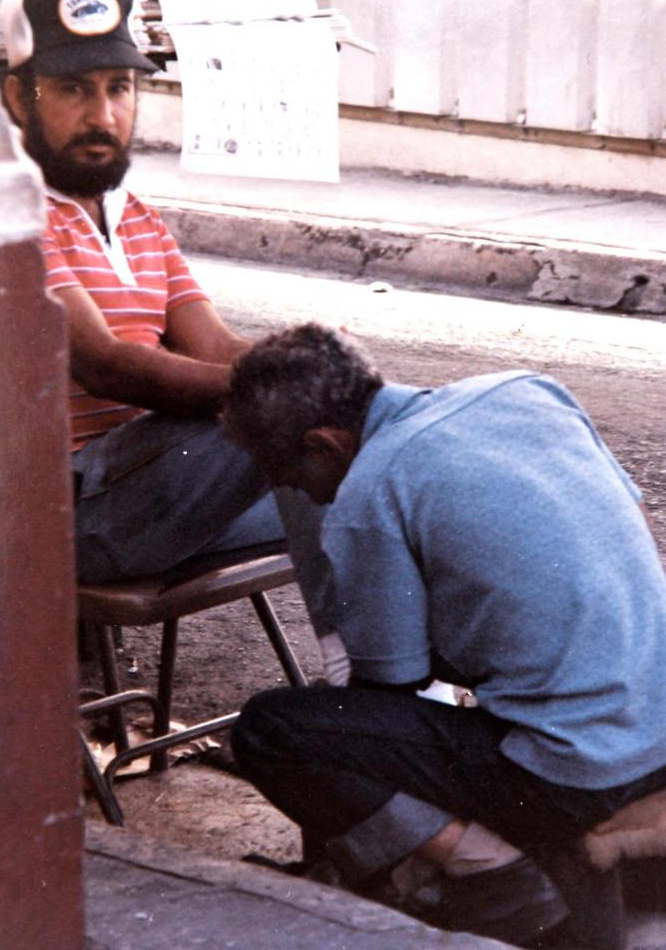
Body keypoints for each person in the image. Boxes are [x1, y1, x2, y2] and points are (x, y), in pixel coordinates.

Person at [223, 322, 666, 949]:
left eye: (289, 477)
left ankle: (493, 874)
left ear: (324, 444)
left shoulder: (369, 490)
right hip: (656, 724)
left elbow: (393, 684)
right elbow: (628, 529)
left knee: (275, 729)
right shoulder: (527, 391)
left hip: (575, 774)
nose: (297, 494)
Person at [0, 0, 331, 613]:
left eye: (119, 88)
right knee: (291, 416)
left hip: (154, 499)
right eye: (72, 89)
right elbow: (106, 365)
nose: (102, 116)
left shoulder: (138, 219)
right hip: (57, 515)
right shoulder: (6, 217)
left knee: (360, 464)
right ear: (19, 98)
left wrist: (323, 370)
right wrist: (284, 389)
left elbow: (216, 346)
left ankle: (365, 668)